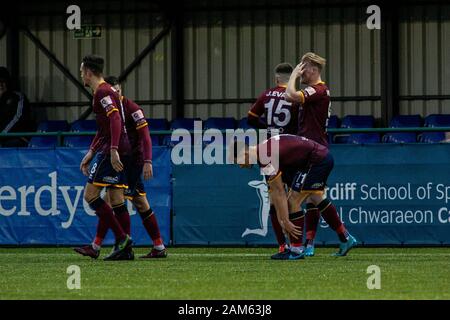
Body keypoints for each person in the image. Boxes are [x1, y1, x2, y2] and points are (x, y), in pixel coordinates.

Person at [75, 76, 167, 259]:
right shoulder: (109, 107)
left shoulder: (132, 108)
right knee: (133, 201)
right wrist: (92, 151)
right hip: (122, 160)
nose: (114, 94)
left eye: (117, 91)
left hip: (131, 162)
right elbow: (102, 132)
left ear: (121, 90)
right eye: (112, 91)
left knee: (117, 200)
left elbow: (146, 137)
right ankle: (155, 247)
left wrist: (148, 161)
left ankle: (112, 246)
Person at [233, 134, 357, 259]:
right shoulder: (263, 153)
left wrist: (285, 221)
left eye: (238, 162)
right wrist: (283, 220)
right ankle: (345, 238)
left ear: (244, 153)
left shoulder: (265, 155)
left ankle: (296, 249)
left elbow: (280, 192)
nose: (240, 166)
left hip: (317, 160)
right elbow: (274, 192)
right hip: (317, 158)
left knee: (293, 200)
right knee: (315, 197)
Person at [285, 52, 357, 256]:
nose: (301, 71)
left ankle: (298, 247)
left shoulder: (318, 90)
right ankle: (336, 239)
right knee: (315, 197)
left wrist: (292, 76)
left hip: (315, 153)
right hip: (313, 150)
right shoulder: (316, 90)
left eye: (304, 68)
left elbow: (290, 94)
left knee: (295, 199)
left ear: (314, 70)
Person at [76, 55, 133, 261]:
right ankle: (125, 249)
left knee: (90, 196)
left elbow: (115, 118)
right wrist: (90, 153)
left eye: (82, 71)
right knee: (117, 200)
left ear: (89, 72)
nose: (81, 74)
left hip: (113, 149)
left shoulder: (102, 91)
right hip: (119, 148)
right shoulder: (104, 91)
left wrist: (114, 149)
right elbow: (103, 128)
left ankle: (122, 239)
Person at [247, 63, 300, 259]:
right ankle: (301, 244)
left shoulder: (266, 95)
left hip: (271, 149)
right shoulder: (295, 97)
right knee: (296, 198)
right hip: (291, 148)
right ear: (291, 79)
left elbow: (251, 118)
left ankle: (281, 245)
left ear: (276, 78)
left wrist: (268, 128)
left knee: (275, 197)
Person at [0, 66, 36, 147]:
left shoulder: (18, 97)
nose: (0, 85)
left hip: (18, 137)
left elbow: (18, 117)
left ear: (8, 82)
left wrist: (2, 134)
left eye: (3, 81)